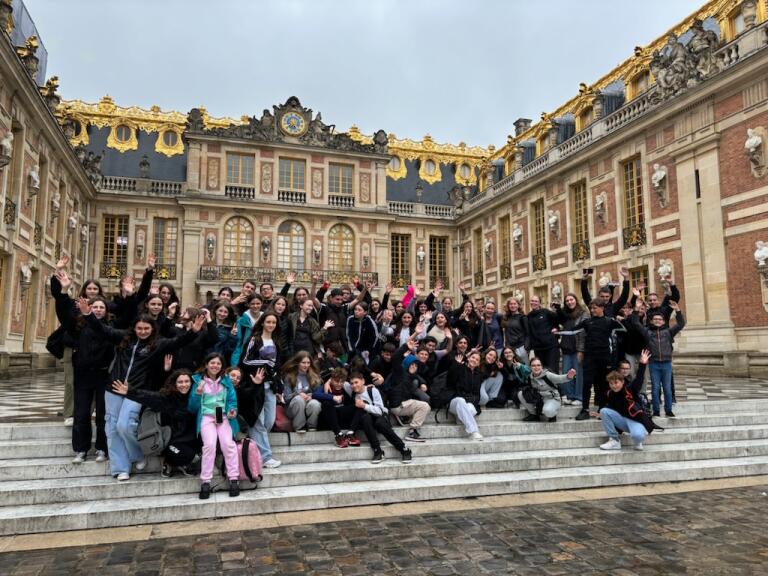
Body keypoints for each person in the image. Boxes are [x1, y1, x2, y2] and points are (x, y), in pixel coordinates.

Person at [79, 299, 204, 481]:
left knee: (125, 425)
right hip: (114, 388)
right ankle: (120, 468)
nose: (143, 332)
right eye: (139, 328)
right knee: (112, 429)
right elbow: (102, 330)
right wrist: (87, 314)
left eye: (146, 329)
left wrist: (193, 331)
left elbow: (178, 342)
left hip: (135, 391)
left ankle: (137, 454)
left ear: (152, 329)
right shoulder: (123, 338)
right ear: (134, 328)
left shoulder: (157, 344)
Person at [52, 268, 110, 464]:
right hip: (83, 375)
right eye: (95, 307)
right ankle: (81, 449)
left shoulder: (109, 329)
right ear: (88, 309)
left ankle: (102, 448)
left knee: (103, 414)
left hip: (104, 377)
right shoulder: (78, 326)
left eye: (102, 307)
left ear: (106, 310)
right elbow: (62, 312)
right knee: (81, 413)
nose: (99, 310)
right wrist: (63, 292)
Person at [111, 369, 200, 477]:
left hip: (189, 440)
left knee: (197, 456)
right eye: (180, 382)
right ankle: (169, 462)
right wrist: (129, 392)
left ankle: (182, 463)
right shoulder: (168, 398)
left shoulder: (195, 397)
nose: (184, 385)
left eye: (187, 381)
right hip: (171, 441)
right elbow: (149, 397)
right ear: (175, 383)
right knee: (188, 456)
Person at [189, 353, 241, 499]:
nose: (215, 366)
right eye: (212, 363)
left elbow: (232, 401)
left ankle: (234, 479)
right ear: (206, 364)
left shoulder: (226, 381)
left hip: (222, 416)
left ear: (221, 366)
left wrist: (232, 411)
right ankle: (206, 481)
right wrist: (197, 394)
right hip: (206, 417)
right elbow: (192, 408)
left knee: (228, 444)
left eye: (218, 364)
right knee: (209, 445)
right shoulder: (198, 380)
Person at [239, 312, 285, 468]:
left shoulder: (276, 342)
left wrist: (279, 385)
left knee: (269, 420)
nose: (271, 325)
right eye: (268, 322)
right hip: (255, 385)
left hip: (270, 385)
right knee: (258, 421)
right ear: (263, 323)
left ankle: (254, 444)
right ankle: (266, 457)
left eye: (274, 322)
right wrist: (265, 362)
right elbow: (244, 361)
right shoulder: (254, 339)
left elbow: (277, 366)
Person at [633, 303, 685, 417]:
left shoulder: (668, 332)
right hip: (653, 363)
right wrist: (636, 309)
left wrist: (678, 311)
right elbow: (636, 323)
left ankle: (668, 410)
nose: (657, 320)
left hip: (666, 363)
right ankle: (656, 410)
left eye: (659, 319)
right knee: (655, 388)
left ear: (663, 321)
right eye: (655, 319)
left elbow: (681, 324)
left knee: (667, 388)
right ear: (651, 321)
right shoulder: (647, 332)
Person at [348, 372, 413, 464]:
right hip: (368, 422)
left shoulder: (372, 390)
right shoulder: (354, 395)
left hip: (380, 417)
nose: (354, 385)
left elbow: (380, 410)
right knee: (366, 418)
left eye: (356, 382)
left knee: (379, 423)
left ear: (363, 381)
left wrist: (364, 406)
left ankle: (404, 449)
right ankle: (377, 450)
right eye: (352, 383)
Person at [599, 349, 654, 451]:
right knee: (604, 411)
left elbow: (639, 379)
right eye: (611, 383)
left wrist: (642, 364)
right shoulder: (609, 394)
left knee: (637, 436)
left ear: (622, 382)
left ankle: (638, 440)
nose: (614, 386)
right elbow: (610, 409)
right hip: (623, 420)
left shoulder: (630, 389)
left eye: (616, 383)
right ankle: (614, 441)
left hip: (636, 420)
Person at [387, 340, 431, 442]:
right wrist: (406, 346)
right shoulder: (400, 372)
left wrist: (422, 384)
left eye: (416, 366)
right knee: (425, 406)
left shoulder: (411, 376)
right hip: (398, 405)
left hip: (401, 404)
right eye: (412, 364)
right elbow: (395, 358)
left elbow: (420, 375)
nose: (414, 367)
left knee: (422, 403)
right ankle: (413, 432)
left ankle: (406, 419)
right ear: (407, 364)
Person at [517, 358, 576, 422]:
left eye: (538, 365)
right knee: (521, 394)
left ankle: (552, 415)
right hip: (539, 399)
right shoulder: (530, 377)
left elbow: (560, 378)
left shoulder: (547, 375)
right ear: (530, 367)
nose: (536, 367)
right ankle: (534, 415)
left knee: (548, 411)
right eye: (533, 365)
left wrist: (568, 376)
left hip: (552, 398)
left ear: (541, 366)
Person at [555, 293, 588, 406]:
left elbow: (584, 333)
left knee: (578, 374)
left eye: (571, 299)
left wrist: (581, 350)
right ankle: (569, 396)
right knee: (566, 373)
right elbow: (558, 321)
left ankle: (579, 396)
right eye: (567, 300)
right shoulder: (565, 314)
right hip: (566, 348)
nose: (569, 302)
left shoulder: (583, 314)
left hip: (577, 347)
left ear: (576, 300)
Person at [447, 350, 484, 441]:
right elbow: (450, 381)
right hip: (454, 402)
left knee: (471, 407)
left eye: (477, 360)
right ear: (468, 358)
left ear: (478, 363)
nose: (474, 360)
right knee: (460, 400)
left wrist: (470, 401)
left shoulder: (478, 375)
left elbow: (477, 395)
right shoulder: (460, 367)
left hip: (467, 403)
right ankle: (474, 431)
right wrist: (456, 365)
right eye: (473, 357)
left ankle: (460, 418)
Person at [281, 351, 323, 433]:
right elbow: (286, 398)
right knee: (299, 399)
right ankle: (299, 426)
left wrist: (311, 396)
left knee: (315, 403)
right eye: (303, 363)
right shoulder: (289, 376)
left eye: (308, 363)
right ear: (297, 363)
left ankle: (312, 426)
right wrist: (298, 394)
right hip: (293, 407)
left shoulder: (314, 376)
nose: (306, 365)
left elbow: (318, 394)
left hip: (308, 404)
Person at [527, 295, 560, 371]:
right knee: (541, 371)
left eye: (536, 301)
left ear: (539, 303)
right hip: (538, 349)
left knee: (552, 370)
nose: (534, 303)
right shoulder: (528, 316)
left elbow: (557, 320)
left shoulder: (546, 312)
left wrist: (556, 328)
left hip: (551, 347)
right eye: (532, 301)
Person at [502, 297, 529, 366]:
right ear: (508, 306)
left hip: (521, 347)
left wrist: (525, 347)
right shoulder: (506, 318)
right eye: (511, 304)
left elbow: (528, 333)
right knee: (513, 369)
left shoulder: (523, 317)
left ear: (518, 305)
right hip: (510, 349)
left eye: (514, 304)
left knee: (524, 368)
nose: (513, 305)